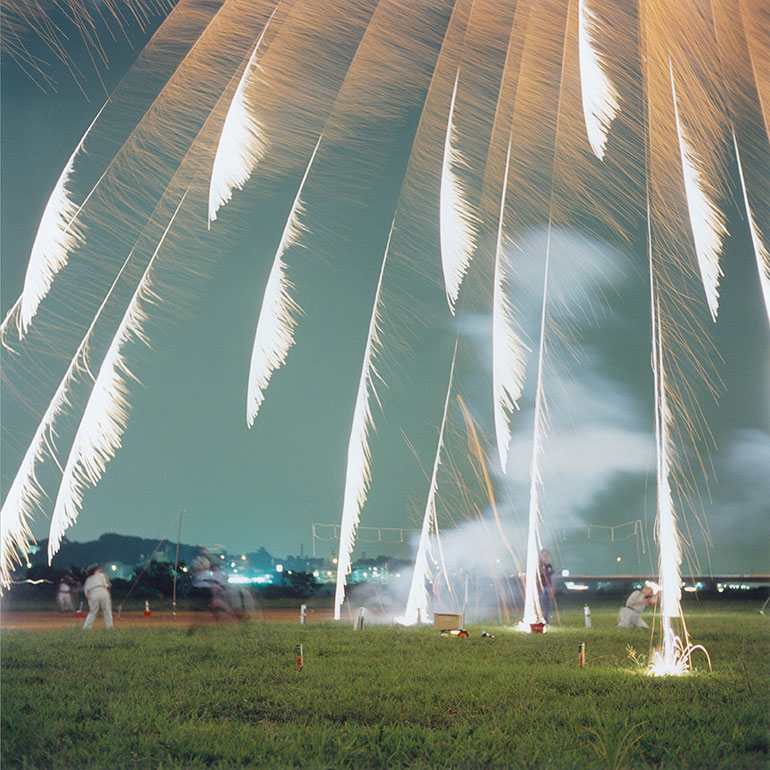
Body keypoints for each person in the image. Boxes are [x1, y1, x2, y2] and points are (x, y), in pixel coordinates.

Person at [83, 565, 113, 629]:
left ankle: (86, 628)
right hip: (102, 591)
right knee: (107, 611)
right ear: (95, 571)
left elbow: (86, 591)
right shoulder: (101, 575)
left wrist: (88, 597)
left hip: (93, 593)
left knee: (92, 612)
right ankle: (110, 627)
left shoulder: (88, 579)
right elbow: (106, 585)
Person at [538, 549, 555, 624]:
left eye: (547, 555)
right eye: (544, 555)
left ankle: (545, 617)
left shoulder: (549, 565)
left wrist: (551, 587)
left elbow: (551, 577)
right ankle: (540, 618)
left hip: (548, 587)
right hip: (541, 587)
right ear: (541, 555)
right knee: (541, 603)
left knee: (547, 604)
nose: (546, 556)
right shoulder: (539, 564)